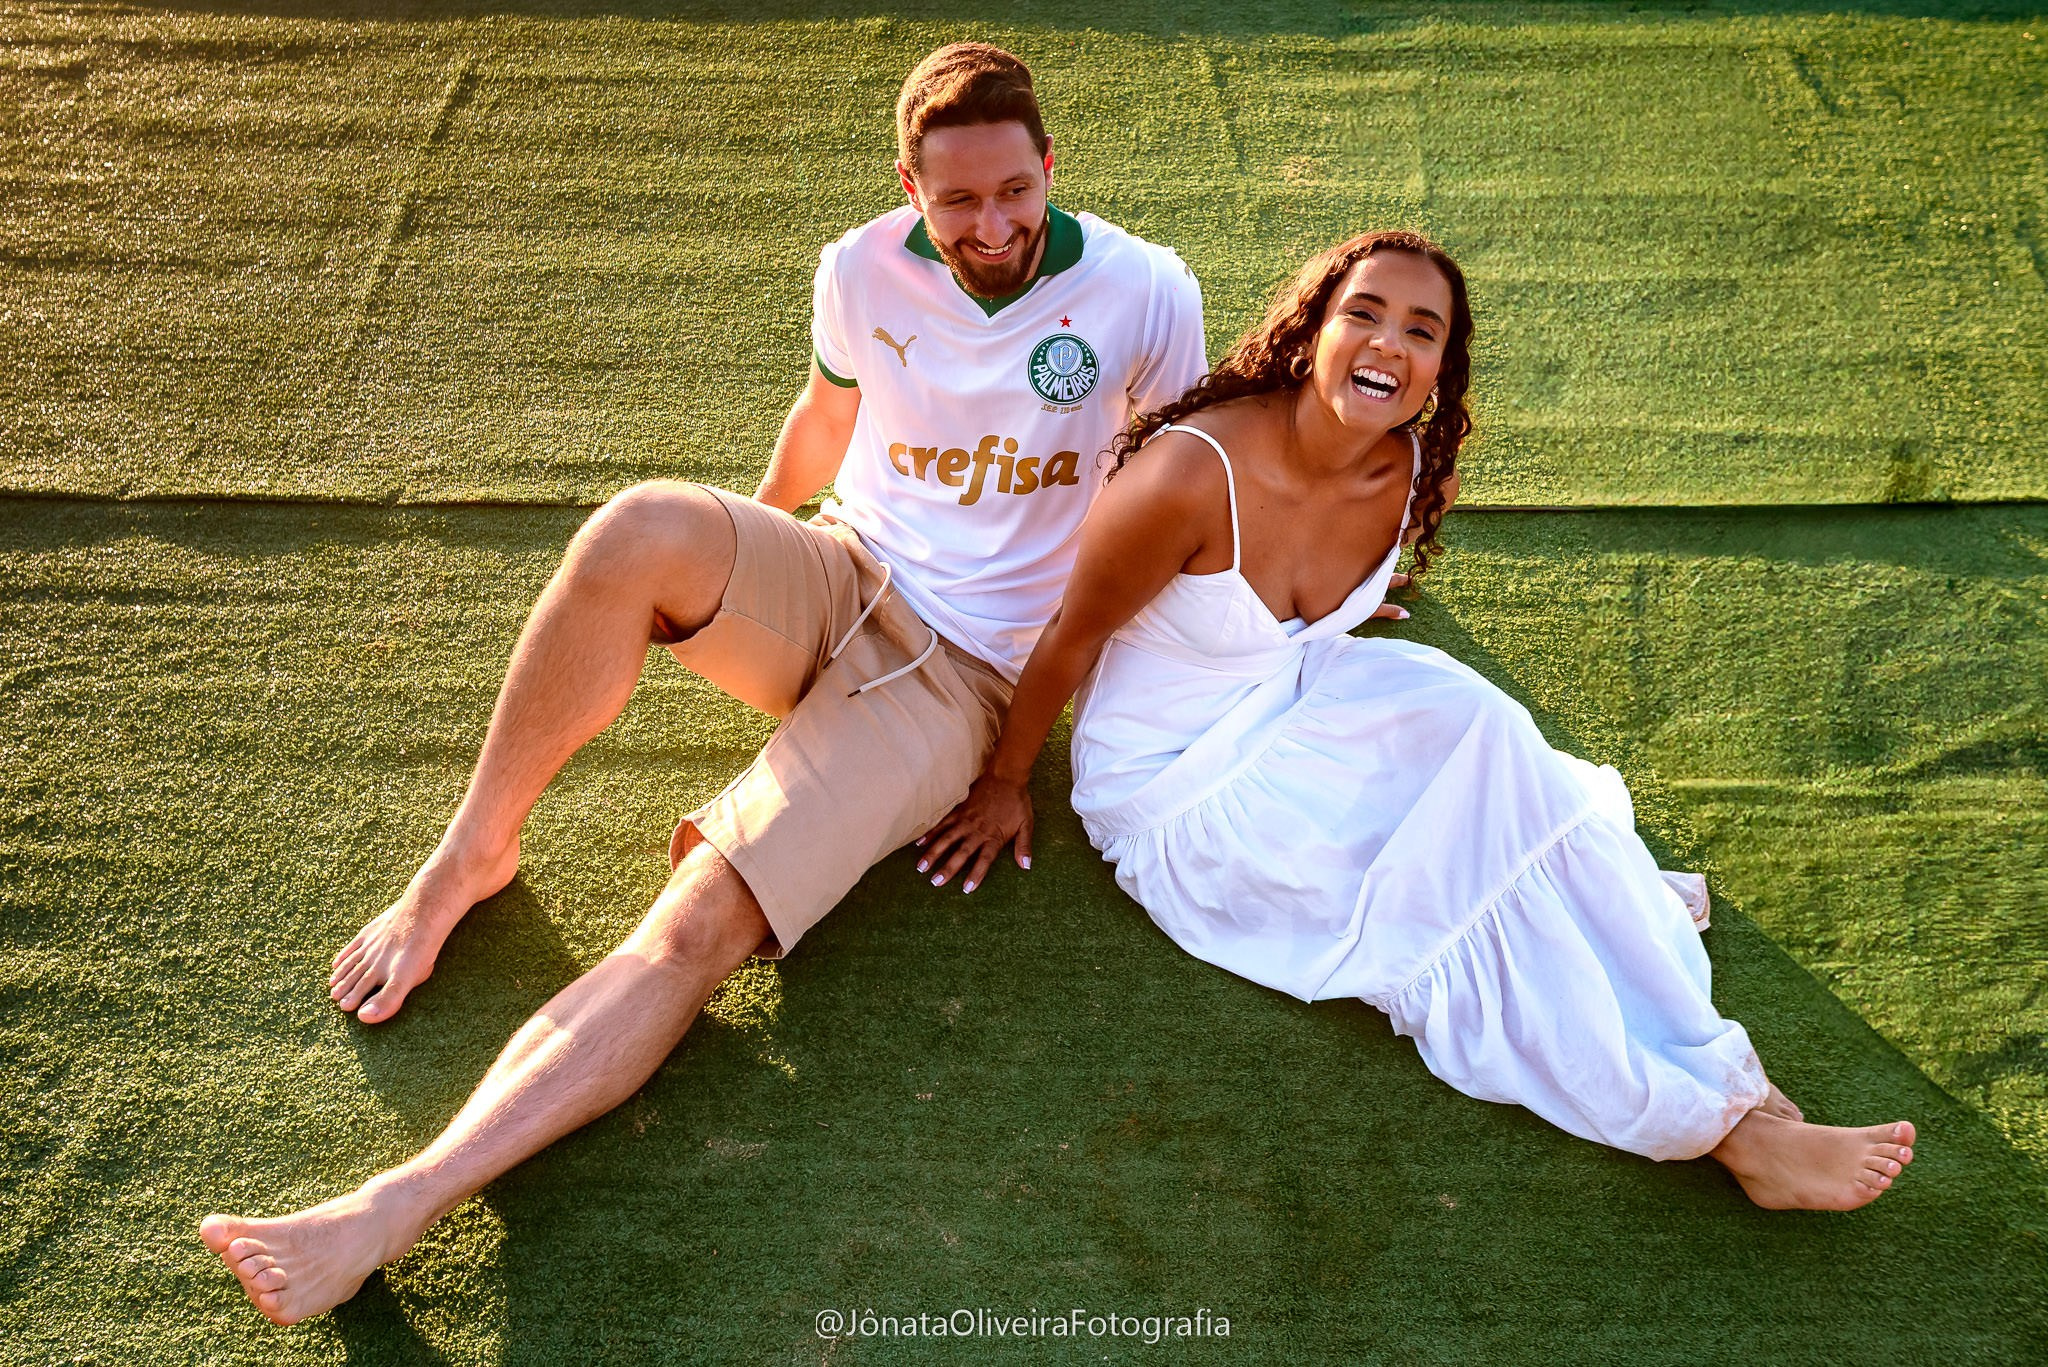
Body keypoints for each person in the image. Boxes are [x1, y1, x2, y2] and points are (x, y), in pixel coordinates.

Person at [198, 42, 1207, 1326]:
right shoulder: (859, 267)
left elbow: (1187, 475)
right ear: (910, 188)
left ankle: (389, 1207)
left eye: (1014, 190)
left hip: (956, 675)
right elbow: (826, 416)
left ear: (1049, 166)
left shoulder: (1141, 289)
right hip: (846, 566)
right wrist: (745, 541)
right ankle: (471, 855)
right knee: (639, 527)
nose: (992, 224)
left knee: (698, 915)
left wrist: (1295, 598)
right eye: (958, 199)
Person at [917, 230, 1917, 1211]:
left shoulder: (1410, 469)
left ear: (1441, 368)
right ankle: (1730, 1130)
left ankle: (1684, 1019)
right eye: (1364, 313)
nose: (1388, 343)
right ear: (1310, 331)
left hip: (1295, 693)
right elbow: (1071, 636)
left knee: (1482, 723)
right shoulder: (1188, 475)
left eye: (1420, 329)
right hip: (1178, 780)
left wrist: (1336, 605)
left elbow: (1318, 574)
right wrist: (1005, 782)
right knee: (1433, 886)